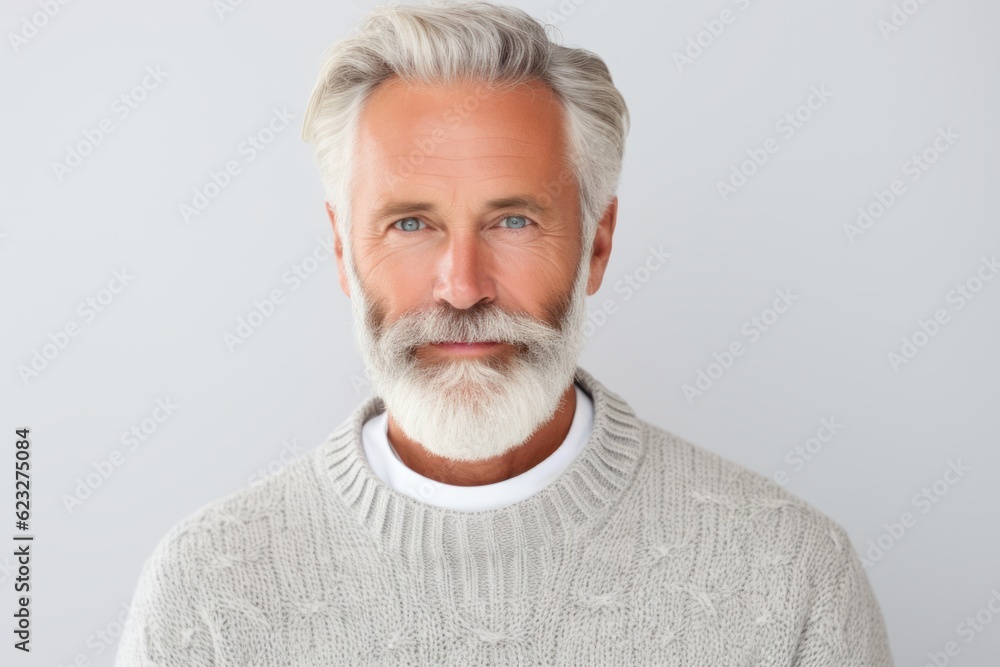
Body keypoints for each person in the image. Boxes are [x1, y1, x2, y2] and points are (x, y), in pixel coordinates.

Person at [116, 2, 894, 664]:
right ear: (343, 249)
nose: (462, 285)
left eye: (514, 220)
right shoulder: (208, 596)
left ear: (597, 243)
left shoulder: (792, 577)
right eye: (411, 222)